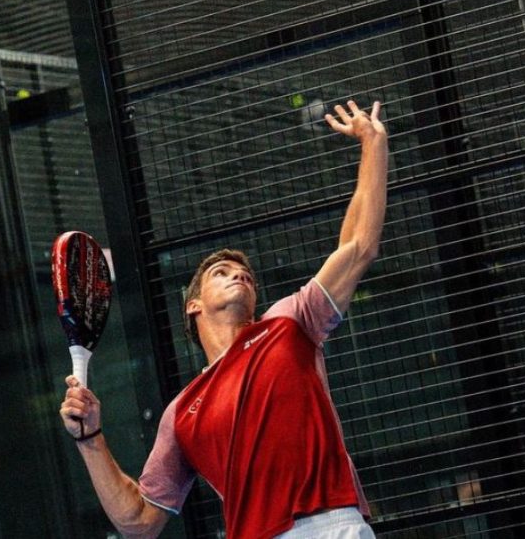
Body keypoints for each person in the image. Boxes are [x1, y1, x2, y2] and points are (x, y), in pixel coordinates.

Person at [60, 100, 388, 538]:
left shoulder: (288, 323)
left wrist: (374, 144)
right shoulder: (181, 413)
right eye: (222, 272)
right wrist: (90, 439)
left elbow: (358, 246)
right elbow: (138, 521)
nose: (239, 274)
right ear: (192, 305)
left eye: (246, 275)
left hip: (329, 527)